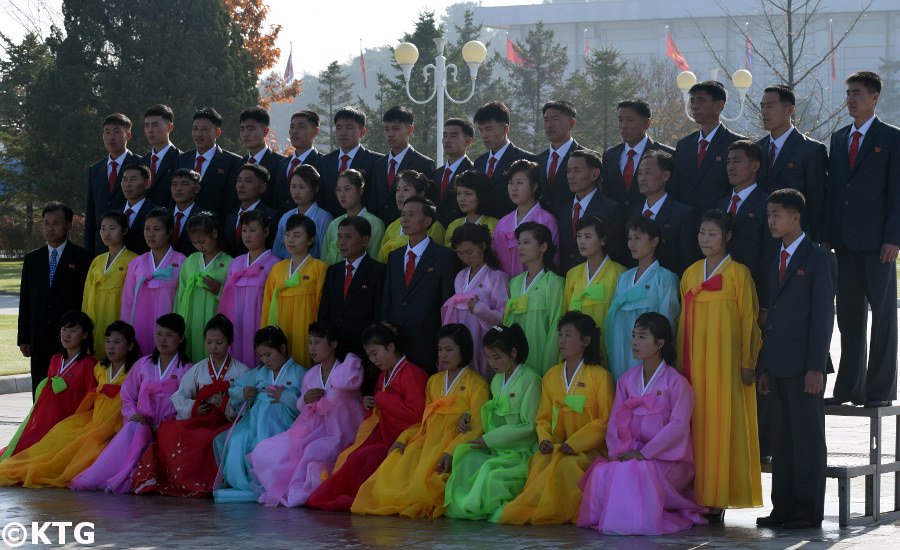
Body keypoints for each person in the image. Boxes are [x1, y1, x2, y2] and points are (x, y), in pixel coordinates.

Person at [578, 312, 706, 535]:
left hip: (667, 460)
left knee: (632, 471)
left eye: (642, 337)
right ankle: (617, 522)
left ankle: (634, 523)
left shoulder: (676, 382)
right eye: (633, 336)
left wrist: (645, 453)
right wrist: (619, 452)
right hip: (633, 453)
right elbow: (615, 423)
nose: (634, 342)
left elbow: (678, 427)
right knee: (604, 471)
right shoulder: (627, 380)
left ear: (660, 343)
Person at [756, 189, 836, 529]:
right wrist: (764, 366)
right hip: (777, 365)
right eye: (769, 214)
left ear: (795, 217)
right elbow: (770, 318)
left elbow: (822, 317)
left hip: (806, 367)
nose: (771, 220)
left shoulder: (818, 258)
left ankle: (806, 511)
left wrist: (816, 366)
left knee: (806, 441)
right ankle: (782, 509)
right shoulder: (773, 257)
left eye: (777, 214)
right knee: (782, 442)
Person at [676, 210, 762, 522]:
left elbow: (748, 321)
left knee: (722, 423)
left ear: (727, 237)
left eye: (712, 234)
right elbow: (682, 324)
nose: (705, 240)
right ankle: (696, 494)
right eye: (701, 233)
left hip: (726, 365)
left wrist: (747, 362)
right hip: (696, 363)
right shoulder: (690, 273)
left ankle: (720, 494)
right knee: (697, 423)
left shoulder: (739, 274)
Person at [352, 324, 489, 518]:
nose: (443, 355)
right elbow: (422, 421)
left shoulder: (477, 384)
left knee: (422, 482)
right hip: (427, 439)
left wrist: (451, 451)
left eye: (449, 350)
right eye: (440, 350)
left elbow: (477, 425)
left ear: (464, 350)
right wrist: (403, 438)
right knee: (393, 470)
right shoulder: (434, 381)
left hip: (452, 441)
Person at [823, 71, 899, 408]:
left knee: (882, 317)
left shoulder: (892, 138)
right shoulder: (839, 138)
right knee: (849, 317)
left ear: (874, 97)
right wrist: (827, 236)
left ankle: (879, 390)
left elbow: (897, 193)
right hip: (844, 243)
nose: (851, 99)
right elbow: (834, 191)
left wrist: (893, 238)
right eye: (849, 92)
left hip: (879, 244)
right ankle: (849, 388)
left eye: (858, 93)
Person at [498, 311, 614, 525]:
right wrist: (544, 440)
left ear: (586, 341)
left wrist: (576, 443)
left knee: (568, 466)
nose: (561, 340)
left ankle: (566, 511)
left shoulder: (600, 376)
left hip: (589, 450)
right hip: (557, 447)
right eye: (560, 334)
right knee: (540, 460)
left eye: (568, 335)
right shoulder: (551, 375)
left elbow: (605, 421)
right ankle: (538, 508)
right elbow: (542, 417)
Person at [0, 321, 140, 488]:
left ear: (130, 346)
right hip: (95, 421)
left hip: (117, 422)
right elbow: (91, 397)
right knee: (57, 448)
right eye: (108, 342)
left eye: (117, 342)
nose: (111, 347)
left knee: (84, 456)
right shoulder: (100, 369)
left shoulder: (136, 370)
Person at [305, 322, 428, 511]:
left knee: (362, 458)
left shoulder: (412, 373)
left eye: (375, 353)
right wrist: (370, 404)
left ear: (391, 347)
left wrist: (381, 398)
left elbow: (417, 415)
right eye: (369, 355)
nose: (373, 360)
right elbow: (379, 408)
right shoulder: (384, 376)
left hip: (406, 439)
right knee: (350, 454)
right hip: (384, 434)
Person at [69, 313, 192, 494]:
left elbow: (187, 400)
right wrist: (133, 414)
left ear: (180, 338)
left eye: (169, 335)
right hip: (143, 423)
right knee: (135, 429)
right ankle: (117, 477)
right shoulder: (143, 365)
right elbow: (127, 396)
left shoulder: (188, 369)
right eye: (159, 334)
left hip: (171, 426)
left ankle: (126, 478)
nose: (162, 339)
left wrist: (171, 422)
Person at [250, 321, 365, 507]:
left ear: (333, 344)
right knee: (268, 450)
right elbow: (301, 405)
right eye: (310, 342)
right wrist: (306, 399)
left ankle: (307, 489)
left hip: (341, 430)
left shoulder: (346, 370)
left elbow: (346, 384)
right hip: (315, 427)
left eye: (317, 342)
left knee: (312, 451)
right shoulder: (311, 374)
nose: (312, 348)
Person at [132, 315, 249, 497]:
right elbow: (179, 396)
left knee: (209, 440)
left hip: (227, 421)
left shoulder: (241, 370)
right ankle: (180, 480)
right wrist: (194, 407)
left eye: (219, 342)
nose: (213, 347)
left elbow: (245, 404)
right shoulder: (198, 369)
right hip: (201, 418)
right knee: (170, 433)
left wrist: (225, 403)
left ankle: (209, 483)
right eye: (209, 342)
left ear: (230, 342)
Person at [444, 324, 541, 522]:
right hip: (496, 448)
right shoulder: (497, 380)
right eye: (488, 357)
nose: (492, 363)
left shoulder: (531, 380)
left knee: (490, 473)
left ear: (513, 352)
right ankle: (467, 506)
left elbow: (529, 426)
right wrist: (469, 416)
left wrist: (490, 439)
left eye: (496, 357)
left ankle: (476, 507)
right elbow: (489, 409)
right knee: (465, 458)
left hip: (519, 452)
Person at [212, 326, 307, 502]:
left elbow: (307, 405)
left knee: (268, 443)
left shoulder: (299, 373)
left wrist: (286, 397)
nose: (265, 360)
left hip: (284, 424)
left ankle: (269, 482)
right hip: (254, 422)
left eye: (268, 355)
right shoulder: (259, 373)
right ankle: (244, 483)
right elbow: (235, 389)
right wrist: (244, 393)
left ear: (283, 348)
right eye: (261, 356)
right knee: (236, 441)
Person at [2, 311, 96, 459]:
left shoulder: (89, 364)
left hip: (71, 423)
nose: (66, 335)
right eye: (64, 330)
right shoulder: (55, 360)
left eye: (72, 331)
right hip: (49, 421)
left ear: (84, 335)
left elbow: (91, 398)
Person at [19, 202, 91, 395]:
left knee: (67, 394)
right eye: (46, 223)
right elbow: (25, 300)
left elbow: (86, 300)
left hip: (70, 340)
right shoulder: (32, 259)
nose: (50, 228)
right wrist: (23, 337)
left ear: (68, 225)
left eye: (56, 223)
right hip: (39, 338)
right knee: (40, 391)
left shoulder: (83, 258)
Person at [382, 196, 457, 372]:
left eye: (411, 214)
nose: (405, 219)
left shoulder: (445, 257)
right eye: (403, 214)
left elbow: (447, 302)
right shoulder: (395, 256)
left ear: (427, 221)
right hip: (396, 345)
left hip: (428, 343)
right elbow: (388, 298)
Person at [605, 217, 681, 380]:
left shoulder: (665, 278)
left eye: (638, 238)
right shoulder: (623, 278)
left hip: (650, 355)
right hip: (621, 348)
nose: (632, 244)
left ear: (654, 241)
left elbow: (668, 324)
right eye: (630, 238)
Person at [318, 216, 386, 393]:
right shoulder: (333, 271)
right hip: (335, 351)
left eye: (348, 237)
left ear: (365, 240)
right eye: (339, 237)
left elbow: (379, 313)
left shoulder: (379, 271)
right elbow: (324, 312)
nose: (341, 242)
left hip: (364, 351)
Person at [755, 85, 828, 241]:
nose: (764, 112)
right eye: (762, 106)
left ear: (789, 110)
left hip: (796, 238)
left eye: (770, 106)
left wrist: (819, 240)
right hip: (760, 238)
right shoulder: (757, 149)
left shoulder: (811, 150)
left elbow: (818, 201)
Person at [441, 223, 510, 380]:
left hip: (484, 338)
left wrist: (479, 308)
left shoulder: (497, 277)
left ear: (483, 246)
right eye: (460, 253)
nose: (466, 258)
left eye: (470, 252)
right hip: (462, 339)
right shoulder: (460, 276)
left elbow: (505, 318)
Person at [261, 214, 326, 368]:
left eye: (297, 235)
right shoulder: (277, 268)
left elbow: (322, 305)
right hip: (280, 327)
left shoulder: (319, 268)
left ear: (310, 240)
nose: (290, 240)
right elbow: (267, 305)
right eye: (287, 235)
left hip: (306, 330)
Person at [671, 81, 746, 214]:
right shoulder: (684, 145)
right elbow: (676, 187)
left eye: (700, 100)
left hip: (720, 223)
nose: (694, 106)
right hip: (685, 223)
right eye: (692, 101)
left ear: (719, 105)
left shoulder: (738, 144)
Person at [218, 210, 281, 368]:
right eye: (244, 231)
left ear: (266, 232)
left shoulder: (275, 264)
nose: (247, 235)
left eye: (253, 231)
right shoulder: (235, 263)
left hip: (260, 321)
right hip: (236, 323)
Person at [120, 207, 186, 356]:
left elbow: (183, 301)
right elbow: (127, 301)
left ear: (169, 232)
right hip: (139, 326)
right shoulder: (136, 263)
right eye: (147, 229)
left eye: (157, 229)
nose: (150, 234)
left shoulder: (181, 261)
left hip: (168, 330)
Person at [564, 216, 626, 368]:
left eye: (588, 236)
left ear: (603, 240)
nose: (581, 241)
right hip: (576, 346)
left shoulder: (619, 273)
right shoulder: (572, 274)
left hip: (606, 344)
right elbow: (565, 311)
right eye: (579, 236)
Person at [717, 140, 773, 309]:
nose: (730, 167)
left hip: (751, 292)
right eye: (728, 162)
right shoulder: (720, 204)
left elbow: (769, 256)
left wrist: (764, 303)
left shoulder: (767, 204)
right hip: (719, 291)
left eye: (737, 161)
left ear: (755, 166)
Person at [503, 222, 564, 376]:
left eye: (526, 242)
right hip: (515, 356)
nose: (520, 247)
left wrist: (549, 368)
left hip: (540, 353)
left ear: (543, 247)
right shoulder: (515, 283)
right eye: (519, 243)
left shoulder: (554, 282)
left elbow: (556, 325)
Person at [173, 214, 233, 361]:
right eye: (195, 243)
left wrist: (219, 290)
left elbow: (234, 298)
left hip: (214, 319)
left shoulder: (229, 263)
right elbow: (180, 295)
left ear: (214, 234)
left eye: (203, 241)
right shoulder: (190, 261)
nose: (200, 246)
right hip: (190, 321)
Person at [631, 150, 699, 274]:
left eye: (648, 173)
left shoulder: (684, 214)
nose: (642, 178)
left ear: (665, 176)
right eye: (639, 173)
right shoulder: (633, 213)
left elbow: (687, 261)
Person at [82, 211, 138, 360]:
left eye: (112, 228)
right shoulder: (97, 261)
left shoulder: (134, 261)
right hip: (95, 320)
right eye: (103, 228)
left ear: (124, 230)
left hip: (118, 318)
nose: (106, 233)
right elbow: (87, 295)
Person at [601, 99, 675, 212]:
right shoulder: (610, 156)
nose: (623, 126)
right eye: (620, 120)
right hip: (614, 224)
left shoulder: (667, 154)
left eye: (630, 120)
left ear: (646, 123)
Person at [558, 149, 627, 271]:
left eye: (576, 171)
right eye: (568, 171)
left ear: (594, 174)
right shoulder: (563, 210)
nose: (570, 176)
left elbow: (616, 251)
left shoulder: (612, 210)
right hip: (568, 281)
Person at [84, 113, 141, 256]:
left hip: (132, 243)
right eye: (107, 132)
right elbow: (91, 212)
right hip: (101, 247)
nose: (111, 137)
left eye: (117, 132)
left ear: (128, 135)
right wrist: (88, 250)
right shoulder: (95, 169)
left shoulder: (140, 164)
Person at [369, 105, 436, 223]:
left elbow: (427, 204)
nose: (390, 134)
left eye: (395, 129)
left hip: (409, 229)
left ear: (410, 130)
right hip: (380, 230)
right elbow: (373, 201)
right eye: (386, 129)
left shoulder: (424, 163)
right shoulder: (379, 164)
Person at [493, 160, 559, 277]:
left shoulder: (547, 220)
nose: (513, 188)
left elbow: (554, 260)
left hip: (537, 287)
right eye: (510, 182)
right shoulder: (503, 222)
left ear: (534, 186)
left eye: (519, 183)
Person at [472, 101, 537, 218]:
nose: (484, 135)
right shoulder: (479, 162)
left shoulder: (526, 159)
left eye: (488, 129)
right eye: (481, 130)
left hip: (512, 229)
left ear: (505, 129)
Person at [316, 106, 383, 217]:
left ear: (362, 132)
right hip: (330, 225)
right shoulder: (324, 162)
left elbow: (376, 198)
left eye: (349, 127)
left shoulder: (376, 161)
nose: (343, 133)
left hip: (362, 225)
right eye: (339, 128)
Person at [176, 107, 242, 216]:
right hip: (183, 224)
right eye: (195, 129)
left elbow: (232, 201)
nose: (198, 134)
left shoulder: (232, 162)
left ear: (217, 132)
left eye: (204, 129)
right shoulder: (182, 159)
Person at [377, 170, 445, 262]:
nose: (399, 195)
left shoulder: (433, 226)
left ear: (421, 194)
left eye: (406, 189)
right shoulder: (393, 226)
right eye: (398, 190)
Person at [321, 169, 386, 265]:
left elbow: (376, 261)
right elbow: (324, 260)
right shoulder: (334, 224)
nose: (342, 195)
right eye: (338, 189)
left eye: (347, 189)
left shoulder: (375, 224)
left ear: (360, 190)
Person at [274, 165, 333, 260]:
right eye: (293, 186)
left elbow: (325, 254)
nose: (296, 192)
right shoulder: (286, 217)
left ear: (316, 188)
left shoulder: (324, 218)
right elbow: (277, 251)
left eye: (302, 187)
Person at [537, 100, 583, 214]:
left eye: (555, 119)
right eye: (546, 120)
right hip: (540, 227)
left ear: (571, 123)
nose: (549, 125)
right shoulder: (537, 160)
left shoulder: (585, 158)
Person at [223, 164, 279, 257]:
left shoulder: (272, 217)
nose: (241, 185)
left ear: (262, 187)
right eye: (239, 180)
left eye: (248, 181)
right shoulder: (230, 218)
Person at [236, 106, 286, 207]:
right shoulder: (237, 164)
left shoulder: (281, 164)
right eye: (242, 129)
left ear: (265, 131)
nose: (245, 134)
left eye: (250, 129)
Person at [275, 110, 322, 211]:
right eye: (292, 127)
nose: (294, 131)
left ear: (315, 131)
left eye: (301, 126)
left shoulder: (322, 163)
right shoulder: (283, 163)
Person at [434, 118, 476, 226]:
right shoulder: (436, 173)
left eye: (453, 136)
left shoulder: (473, 173)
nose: (447, 140)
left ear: (468, 141)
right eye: (445, 135)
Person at [443, 170, 499, 246]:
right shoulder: (453, 225)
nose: (461, 199)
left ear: (481, 195)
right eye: (458, 193)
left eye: (468, 194)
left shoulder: (496, 225)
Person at [141, 104, 181, 208]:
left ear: (170, 127)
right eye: (147, 125)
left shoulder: (181, 160)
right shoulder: (141, 162)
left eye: (155, 125)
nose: (150, 130)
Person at [119, 164, 158, 255]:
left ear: (147, 183)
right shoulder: (115, 214)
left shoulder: (157, 213)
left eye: (133, 180)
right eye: (124, 180)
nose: (127, 184)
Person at [169, 168, 202, 257]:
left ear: (196, 189)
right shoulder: (164, 216)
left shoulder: (204, 219)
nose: (178, 188)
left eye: (184, 184)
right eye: (174, 184)